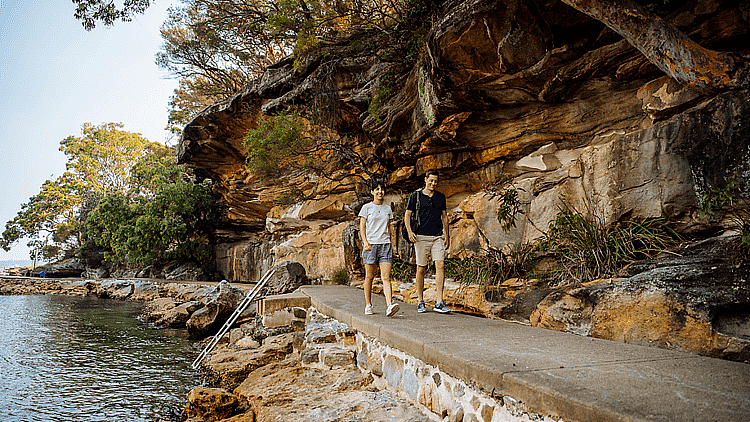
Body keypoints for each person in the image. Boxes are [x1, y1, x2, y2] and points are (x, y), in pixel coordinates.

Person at [404, 170, 451, 313]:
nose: (433, 183)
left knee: (440, 265)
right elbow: (407, 215)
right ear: (425, 179)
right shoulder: (415, 196)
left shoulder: (440, 197)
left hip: (437, 236)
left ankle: (439, 301)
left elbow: (444, 217)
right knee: (421, 269)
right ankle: (420, 300)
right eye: (431, 180)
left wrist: (447, 235)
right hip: (421, 237)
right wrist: (410, 232)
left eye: (436, 181)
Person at [358, 179, 400, 317]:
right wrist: (365, 242)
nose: (380, 191)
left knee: (386, 277)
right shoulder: (367, 208)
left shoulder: (387, 208)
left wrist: (393, 246)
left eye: (382, 189)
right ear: (372, 192)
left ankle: (389, 305)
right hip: (371, 245)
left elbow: (389, 228)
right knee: (369, 277)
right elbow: (362, 227)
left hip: (385, 244)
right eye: (377, 189)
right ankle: (368, 304)